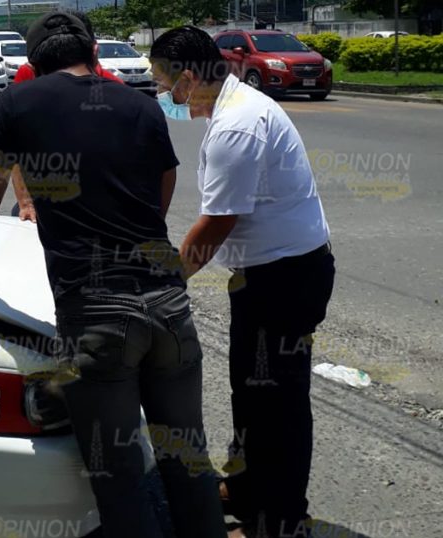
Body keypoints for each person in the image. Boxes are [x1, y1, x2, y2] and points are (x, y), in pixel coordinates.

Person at [0, 12, 225, 538]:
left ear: (33, 65)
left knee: (120, 477)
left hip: (98, 315)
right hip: (169, 306)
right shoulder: (141, 103)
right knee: (187, 456)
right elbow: (162, 183)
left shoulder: (18, 102)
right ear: (93, 56)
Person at [149, 26, 335, 538]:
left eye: (163, 85)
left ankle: (279, 520)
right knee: (251, 393)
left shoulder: (237, 125)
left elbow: (216, 224)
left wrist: (167, 281)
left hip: (285, 280)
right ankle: (250, 488)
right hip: (265, 276)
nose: (163, 96)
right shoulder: (231, 108)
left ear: (188, 79)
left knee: (277, 404)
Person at [7, 11, 124, 224]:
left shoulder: (115, 88)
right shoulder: (28, 76)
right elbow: (14, 148)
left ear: (92, 49)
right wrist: (25, 202)